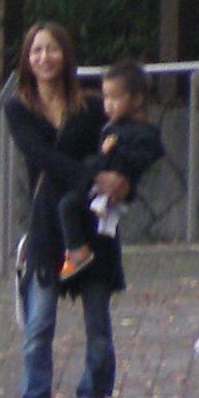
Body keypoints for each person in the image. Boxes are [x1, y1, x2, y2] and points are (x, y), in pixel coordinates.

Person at [4, 26, 131, 398]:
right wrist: (91, 178)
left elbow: (116, 145)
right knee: (40, 320)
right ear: (27, 58)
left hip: (89, 222)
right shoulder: (19, 108)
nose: (44, 57)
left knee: (97, 316)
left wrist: (116, 180)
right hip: (47, 220)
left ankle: (93, 393)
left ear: (66, 55)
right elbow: (40, 157)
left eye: (52, 49)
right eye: (36, 50)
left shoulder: (91, 107)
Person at [58, 64, 163, 284]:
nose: (108, 104)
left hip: (113, 187)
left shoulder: (143, 131)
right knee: (68, 202)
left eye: (115, 98)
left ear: (136, 100)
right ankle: (76, 249)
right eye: (106, 98)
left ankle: (78, 253)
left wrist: (113, 154)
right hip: (99, 181)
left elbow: (145, 156)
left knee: (69, 205)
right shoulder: (111, 125)